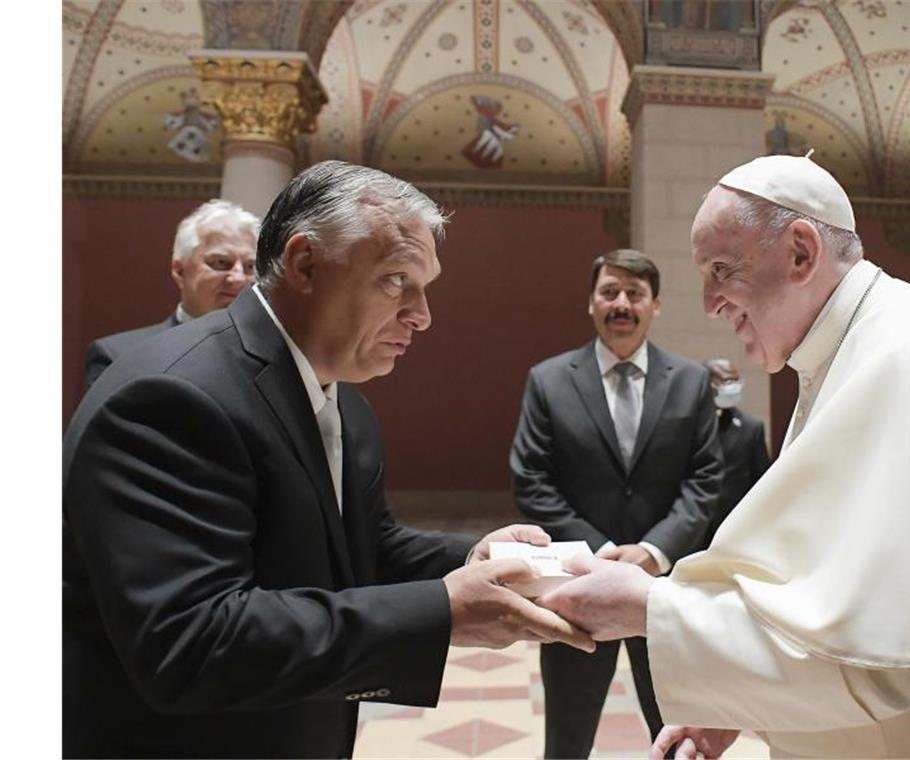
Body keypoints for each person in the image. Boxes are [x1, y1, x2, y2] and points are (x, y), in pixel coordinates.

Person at [538, 155, 910, 758]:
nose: (711, 302)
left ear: (800, 252)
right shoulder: (851, 352)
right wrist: (742, 704)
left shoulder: (909, 358)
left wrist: (648, 606)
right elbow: (818, 602)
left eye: (722, 269)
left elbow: (887, 654)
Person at [63, 161, 593, 759]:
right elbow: (193, 641)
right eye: (397, 279)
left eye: (426, 286)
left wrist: (474, 558)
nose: (422, 314)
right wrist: (442, 611)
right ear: (305, 264)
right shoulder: (171, 397)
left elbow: (363, 547)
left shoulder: (345, 404)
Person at [510, 248, 722, 759]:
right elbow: (532, 480)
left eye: (635, 293)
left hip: (664, 590)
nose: (621, 303)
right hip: (577, 586)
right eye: (610, 292)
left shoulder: (692, 382)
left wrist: (652, 551)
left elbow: (706, 479)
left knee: (678, 737)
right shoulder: (549, 380)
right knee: (567, 738)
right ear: (591, 303)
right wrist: (601, 550)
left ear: (656, 306)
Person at [83, 198, 260, 389]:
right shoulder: (118, 356)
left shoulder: (273, 354)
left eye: (250, 266)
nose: (239, 278)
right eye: (220, 263)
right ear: (179, 271)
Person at [702, 359, 770, 546]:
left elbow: (761, 482)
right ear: (707, 384)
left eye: (736, 381)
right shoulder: (687, 425)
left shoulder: (751, 427)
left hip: (733, 530)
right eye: (726, 381)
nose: (733, 387)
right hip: (693, 528)